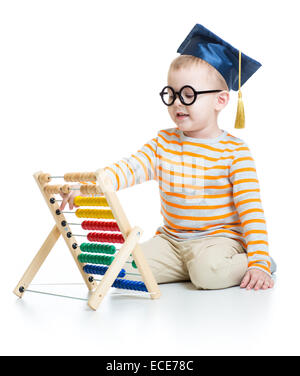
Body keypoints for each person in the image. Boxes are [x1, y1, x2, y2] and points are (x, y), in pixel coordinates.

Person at [60, 23, 276, 291]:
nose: (177, 103)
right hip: (172, 243)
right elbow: (128, 169)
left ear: (219, 101)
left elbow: (251, 211)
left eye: (188, 95)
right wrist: (89, 186)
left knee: (208, 273)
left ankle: (254, 262)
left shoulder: (235, 152)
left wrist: (259, 263)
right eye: (171, 94)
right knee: (121, 271)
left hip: (219, 240)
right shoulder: (163, 143)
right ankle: (191, 268)